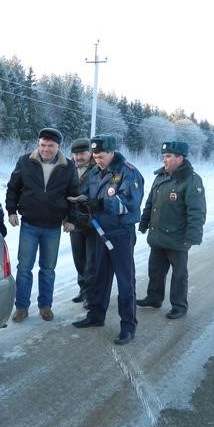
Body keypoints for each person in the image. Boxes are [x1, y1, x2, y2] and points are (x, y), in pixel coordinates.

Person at [71, 135, 144, 345]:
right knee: (98, 276)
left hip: (121, 233)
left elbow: (129, 205)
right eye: (95, 155)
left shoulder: (128, 173)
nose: (97, 159)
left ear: (112, 153)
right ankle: (96, 315)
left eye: (101, 156)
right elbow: (87, 193)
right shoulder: (95, 171)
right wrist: (81, 202)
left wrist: (100, 204)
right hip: (99, 231)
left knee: (125, 280)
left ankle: (128, 326)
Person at [6, 128, 79, 323]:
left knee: (48, 269)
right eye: (42, 145)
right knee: (24, 268)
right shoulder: (25, 161)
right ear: (38, 144)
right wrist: (11, 210)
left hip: (53, 227)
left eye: (50, 146)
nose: (46, 149)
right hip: (29, 224)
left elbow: (73, 194)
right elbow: (13, 187)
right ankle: (21, 307)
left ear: (58, 147)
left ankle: (45, 306)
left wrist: (71, 218)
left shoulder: (68, 166)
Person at [137, 141, 206, 319]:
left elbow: (197, 211)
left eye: (168, 156)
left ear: (180, 158)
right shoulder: (160, 177)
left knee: (179, 275)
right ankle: (154, 298)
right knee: (155, 270)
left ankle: (179, 306)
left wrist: (192, 236)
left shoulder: (191, 180)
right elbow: (150, 203)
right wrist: (144, 222)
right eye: (163, 156)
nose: (164, 160)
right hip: (158, 235)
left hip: (178, 238)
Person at [67, 138, 97, 307]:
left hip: (93, 222)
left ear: (90, 152)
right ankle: (83, 289)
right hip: (75, 222)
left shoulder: (97, 168)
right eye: (76, 154)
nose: (78, 157)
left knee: (92, 261)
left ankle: (91, 295)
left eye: (82, 154)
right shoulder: (68, 168)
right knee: (79, 259)